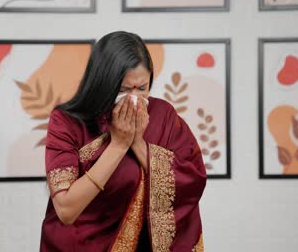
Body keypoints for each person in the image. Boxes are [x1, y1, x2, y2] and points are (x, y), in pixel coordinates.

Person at [40, 31, 207, 251]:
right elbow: (66, 210)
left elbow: (192, 182)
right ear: (103, 84)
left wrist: (138, 144)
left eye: (142, 88)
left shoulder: (163, 116)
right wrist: (118, 144)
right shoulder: (67, 122)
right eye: (123, 90)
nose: (134, 98)